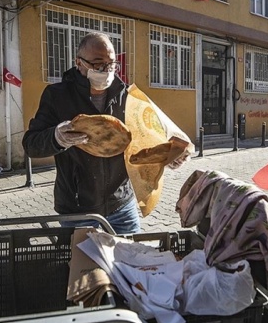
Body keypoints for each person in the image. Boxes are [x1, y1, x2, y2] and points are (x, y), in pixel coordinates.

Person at [23, 32, 187, 234]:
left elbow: (143, 142)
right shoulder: (57, 95)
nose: (106, 70)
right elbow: (31, 144)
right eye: (98, 64)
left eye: (111, 64)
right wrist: (56, 137)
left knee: (130, 261)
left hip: (121, 205)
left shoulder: (127, 96)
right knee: (86, 264)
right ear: (79, 63)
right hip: (77, 210)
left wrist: (166, 157)